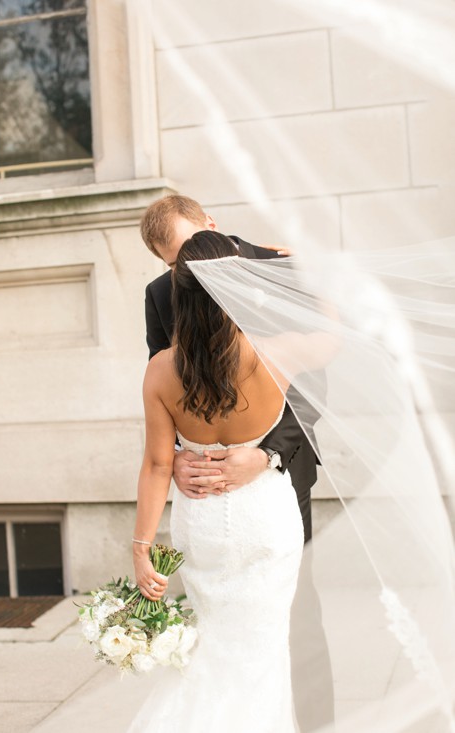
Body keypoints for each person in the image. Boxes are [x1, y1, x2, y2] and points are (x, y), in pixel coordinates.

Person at [139, 195, 333, 731]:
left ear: (210, 225)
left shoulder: (280, 268)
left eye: (186, 252)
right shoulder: (160, 295)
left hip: (280, 475)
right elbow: (165, 385)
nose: (186, 271)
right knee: (218, 626)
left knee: (297, 616)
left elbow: (314, 389)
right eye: (172, 263)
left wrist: (266, 454)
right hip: (205, 490)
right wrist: (178, 458)